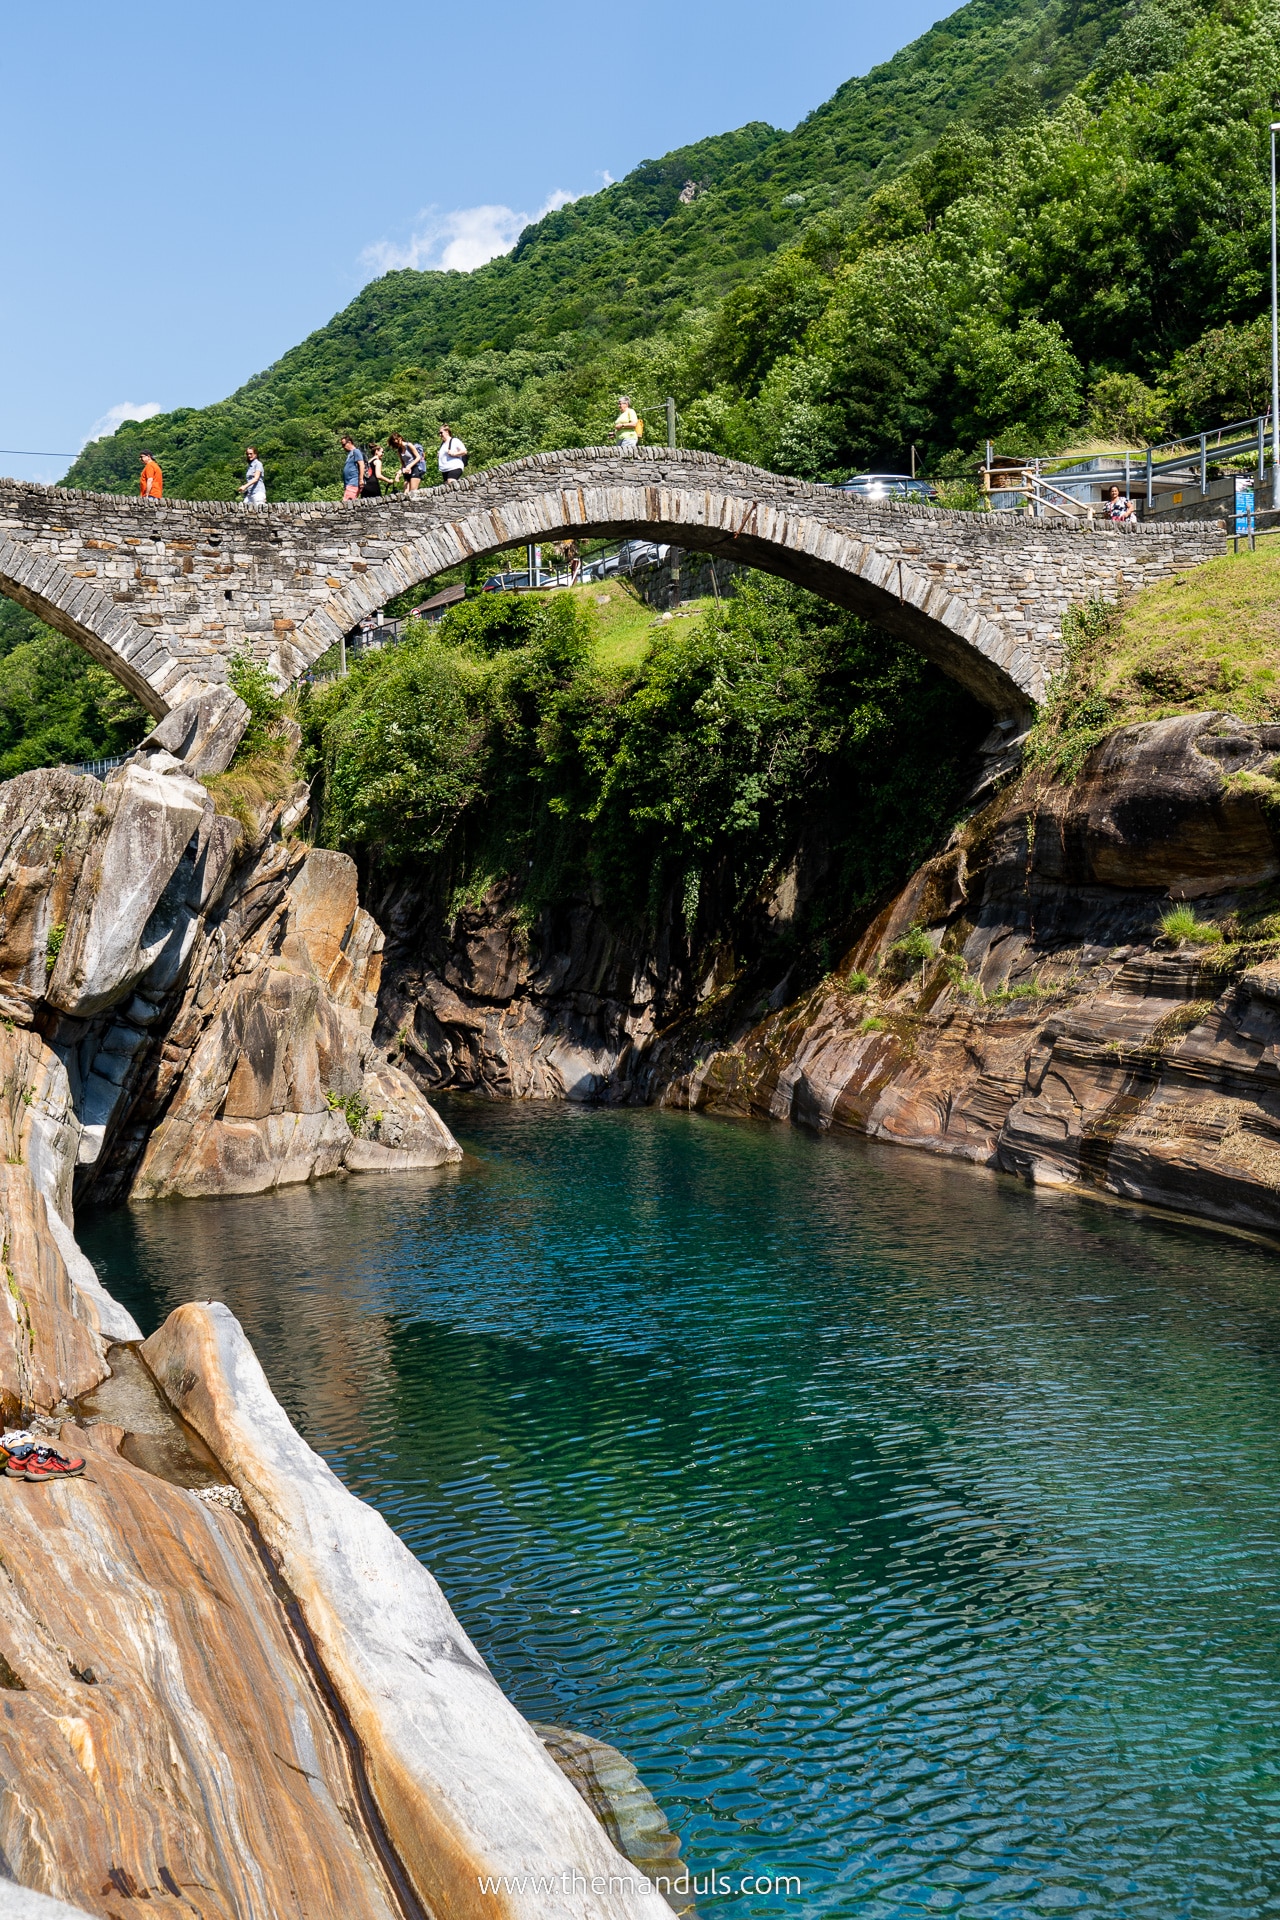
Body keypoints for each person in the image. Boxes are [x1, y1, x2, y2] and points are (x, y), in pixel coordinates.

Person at [340, 435, 365, 501]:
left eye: (344, 444)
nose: (343, 447)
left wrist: (361, 479)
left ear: (349, 442)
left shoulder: (356, 451)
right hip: (349, 483)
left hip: (354, 482)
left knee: (346, 503)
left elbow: (361, 465)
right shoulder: (350, 454)